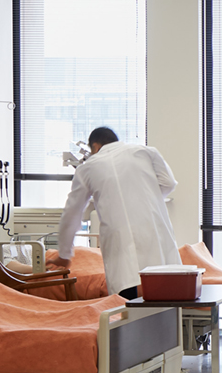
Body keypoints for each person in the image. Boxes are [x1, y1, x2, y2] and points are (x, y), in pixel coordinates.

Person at [54, 127, 180, 298]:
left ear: (96, 147)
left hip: (120, 242)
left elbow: (72, 213)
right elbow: (169, 183)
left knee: (127, 295)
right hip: (154, 231)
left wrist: (64, 254)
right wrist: (147, 198)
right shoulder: (146, 152)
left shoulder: (87, 168)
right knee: (164, 291)